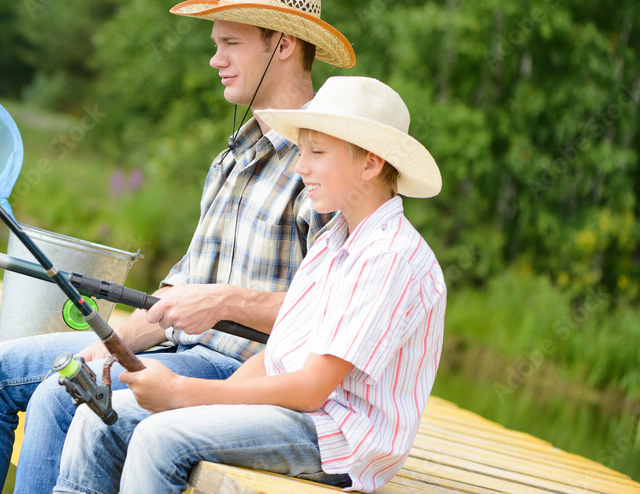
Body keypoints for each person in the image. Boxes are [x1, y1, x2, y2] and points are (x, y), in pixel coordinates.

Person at [0, 0, 356, 493]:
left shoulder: (324, 168)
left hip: (241, 375)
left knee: (56, 399)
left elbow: (329, 319)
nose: (214, 59)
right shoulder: (234, 153)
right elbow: (182, 290)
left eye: (231, 43)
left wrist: (225, 302)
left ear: (283, 45)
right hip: (172, 347)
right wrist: (114, 341)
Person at [54, 76, 446, 494]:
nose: (300, 166)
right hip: (294, 411)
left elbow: (311, 388)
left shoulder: (388, 256)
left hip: (335, 437)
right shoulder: (335, 241)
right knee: (102, 416)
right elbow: (278, 357)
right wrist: (206, 398)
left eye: (316, 153)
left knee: (159, 437)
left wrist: (181, 393)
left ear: (370, 164)